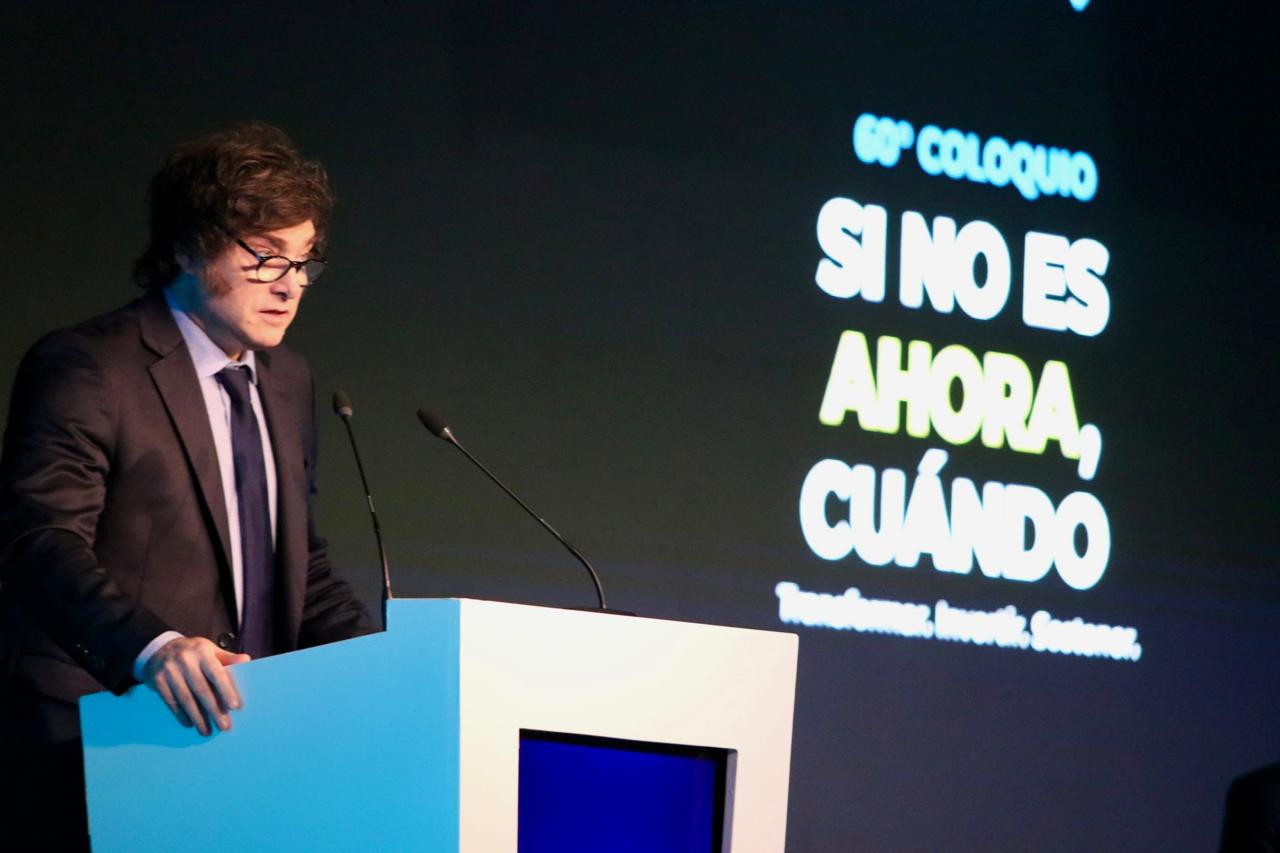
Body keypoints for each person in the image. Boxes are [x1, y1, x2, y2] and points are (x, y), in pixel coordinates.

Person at [0, 122, 375, 849]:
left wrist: (386, 665)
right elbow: (36, 539)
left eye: (303, 262)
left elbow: (297, 565)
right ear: (187, 246)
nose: (291, 285)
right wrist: (155, 646)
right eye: (266, 258)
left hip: (239, 753)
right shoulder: (90, 366)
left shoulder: (289, 380)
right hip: (100, 743)